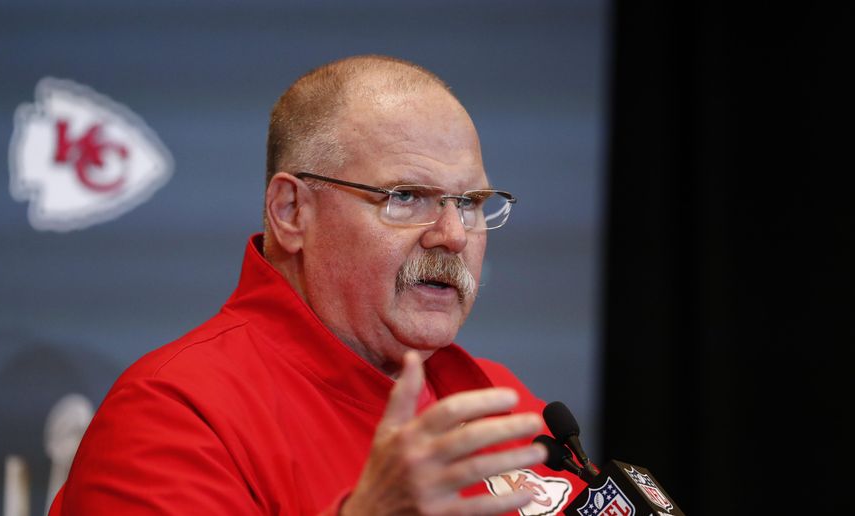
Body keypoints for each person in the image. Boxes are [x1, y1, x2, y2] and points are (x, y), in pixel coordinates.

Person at [49, 54, 588, 515]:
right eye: (404, 197)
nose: (451, 234)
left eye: (469, 203)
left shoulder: (501, 403)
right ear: (291, 211)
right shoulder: (174, 413)